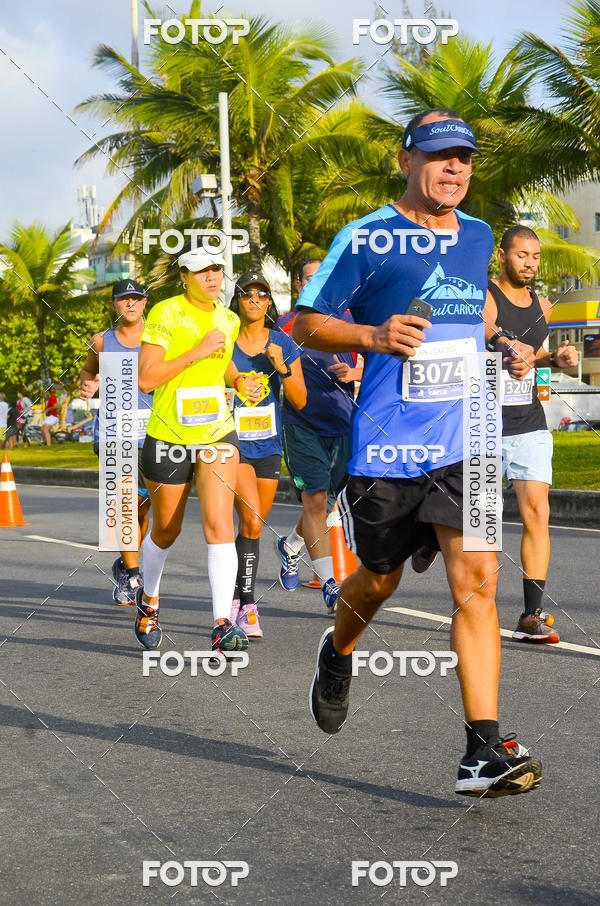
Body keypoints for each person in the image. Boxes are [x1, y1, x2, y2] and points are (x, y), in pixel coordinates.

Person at [294, 109, 542, 797]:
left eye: (464, 157)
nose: (454, 168)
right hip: (386, 447)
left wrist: (505, 344)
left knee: (480, 582)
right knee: (378, 582)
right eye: (439, 156)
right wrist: (372, 337)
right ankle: (337, 649)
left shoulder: (481, 235)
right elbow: (304, 323)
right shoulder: (366, 236)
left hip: (467, 441)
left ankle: (481, 751)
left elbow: (473, 311)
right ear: (405, 160)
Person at [137, 247, 262, 653]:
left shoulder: (227, 318)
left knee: (219, 525)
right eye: (201, 271)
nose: (212, 277)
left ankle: (222, 623)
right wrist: (196, 351)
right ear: (184, 277)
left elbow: (224, 365)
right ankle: (149, 601)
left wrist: (240, 381)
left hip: (216, 432)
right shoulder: (165, 313)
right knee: (166, 530)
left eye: (217, 270)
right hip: (170, 435)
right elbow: (146, 379)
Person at [483, 225, 578, 642]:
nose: (529, 262)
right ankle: (473, 606)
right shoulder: (485, 296)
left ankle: (530, 613)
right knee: (479, 524)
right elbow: (486, 336)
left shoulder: (543, 304)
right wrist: (507, 347)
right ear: (502, 256)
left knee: (537, 512)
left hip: (529, 423)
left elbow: (534, 355)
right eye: (522, 254)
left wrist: (555, 357)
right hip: (482, 423)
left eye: (535, 256)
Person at [275, 259, 362, 614]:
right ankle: (330, 583)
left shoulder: (350, 318)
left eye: (322, 278)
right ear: (300, 286)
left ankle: (291, 544)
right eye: (310, 279)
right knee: (315, 501)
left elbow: (378, 358)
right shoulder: (284, 325)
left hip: (345, 422)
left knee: (329, 503)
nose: (317, 284)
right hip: (302, 425)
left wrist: (354, 371)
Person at [229, 270, 306, 638]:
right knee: (252, 522)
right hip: (232, 443)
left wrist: (282, 367)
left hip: (269, 447)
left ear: (270, 303)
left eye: (262, 294)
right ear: (239, 300)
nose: (255, 299)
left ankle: (232, 597)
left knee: (251, 527)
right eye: (247, 294)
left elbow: (301, 399)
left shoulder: (284, 343)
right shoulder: (224, 342)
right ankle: (247, 606)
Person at [80, 280, 153, 605]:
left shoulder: (158, 338)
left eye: (136, 298)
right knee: (123, 504)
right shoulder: (102, 341)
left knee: (142, 509)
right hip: (113, 434)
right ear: (114, 305)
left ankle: (125, 565)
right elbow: (87, 372)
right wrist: (89, 387)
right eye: (124, 299)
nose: (131, 304)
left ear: (145, 303)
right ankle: (136, 576)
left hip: (151, 434)